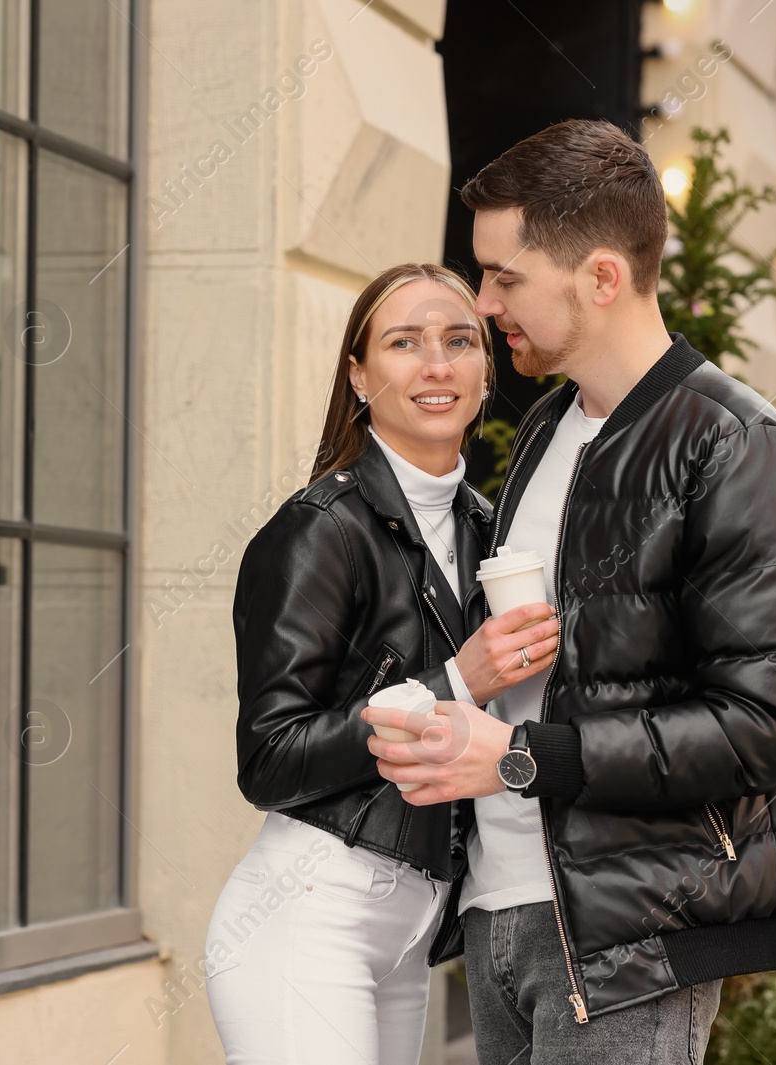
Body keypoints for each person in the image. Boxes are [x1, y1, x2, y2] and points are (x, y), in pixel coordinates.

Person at [362, 119, 776, 1064]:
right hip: (502, 910)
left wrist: (522, 757)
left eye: (506, 276)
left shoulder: (738, 445)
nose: (485, 299)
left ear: (603, 277)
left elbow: (764, 727)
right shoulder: (544, 430)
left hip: (633, 934)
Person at [207, 263, 561, 1064]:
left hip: (410, 934)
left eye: (458, 341)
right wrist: (456, 682)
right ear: (360, 375)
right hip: (307, 918)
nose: (436, 365)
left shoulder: (487, 532)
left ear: (482, 372)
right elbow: (268, 758)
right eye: (405, 342)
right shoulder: (317, 530)